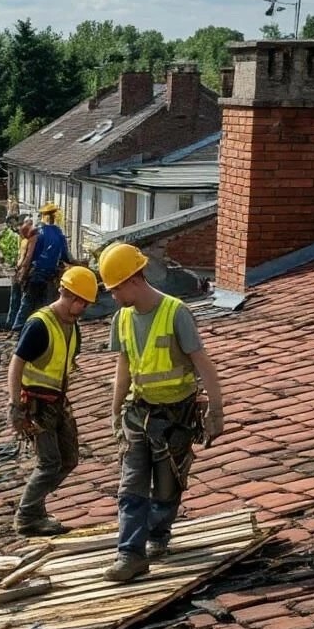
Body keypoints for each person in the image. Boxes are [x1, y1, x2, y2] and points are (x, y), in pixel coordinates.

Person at [99, 243, 224, 582]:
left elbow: (204, 365)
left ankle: (158, 535)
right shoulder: (122, 318)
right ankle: (130, 553)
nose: (112, 296)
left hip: (176, 417)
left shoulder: (175, 312)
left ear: (133, 280)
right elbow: (123, 369)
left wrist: (216, 411)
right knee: (131, 486)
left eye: (115, 289)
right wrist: (114, 413)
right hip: (139, 414)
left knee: (167, 489)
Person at [7, 266, 98, 536]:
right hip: (36, 405)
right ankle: (27, 516)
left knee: (68, 459)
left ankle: (36, 509)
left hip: (58, 403)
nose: (85, 308)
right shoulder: (40, 324)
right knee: (49, 463)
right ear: (70, 296)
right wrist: (15, 407)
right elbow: (16, 364)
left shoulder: (72, 327)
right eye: (83, 303)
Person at [11, 202, 76, 332]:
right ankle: (42, 329)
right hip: (49, 276)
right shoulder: (58, 234)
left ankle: (17, 329)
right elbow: (65, 257)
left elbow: (29, 257)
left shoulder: (36, 233)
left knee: (27, 303)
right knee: (46, 307)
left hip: (36, 274)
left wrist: (23, 272)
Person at [5, 214, 39, 331]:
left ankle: (11, 323)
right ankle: (16, 325)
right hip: (22, 271)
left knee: (15, 299)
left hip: (18, 270)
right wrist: (23, 272)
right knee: (22, 300)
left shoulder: (24, 239)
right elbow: (27, 257)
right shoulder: (30, 239)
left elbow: (22, 256)